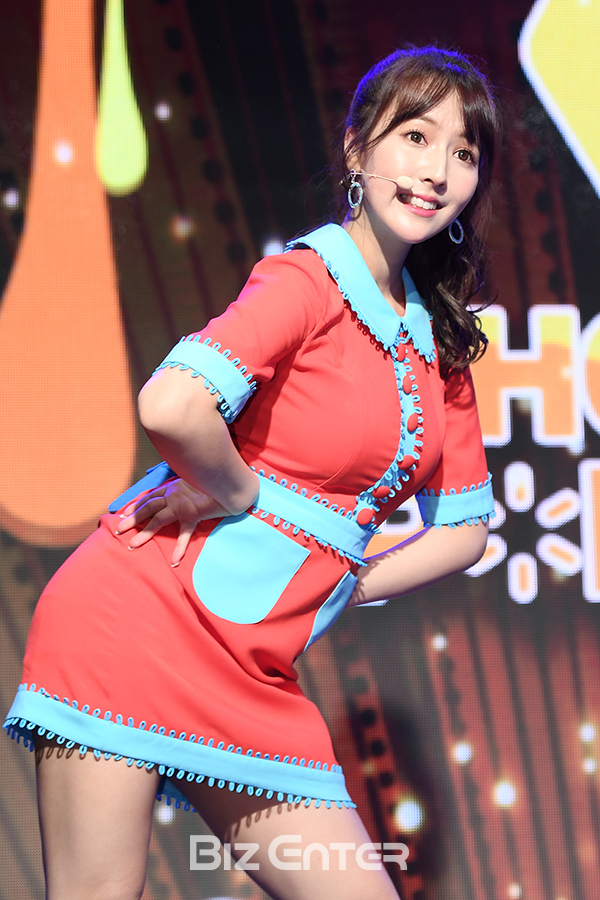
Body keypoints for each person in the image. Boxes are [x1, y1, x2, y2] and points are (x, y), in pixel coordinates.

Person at [4, 45, 500, 900]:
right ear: (357, 149)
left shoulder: (440, 341)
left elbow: (464, 531)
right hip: (132, 624)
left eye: (463, 152)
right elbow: (172, 404)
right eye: (415, 137)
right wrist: (237, 491)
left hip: (254, 674)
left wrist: (343, 579)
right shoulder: (307, 281)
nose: (437, 171)